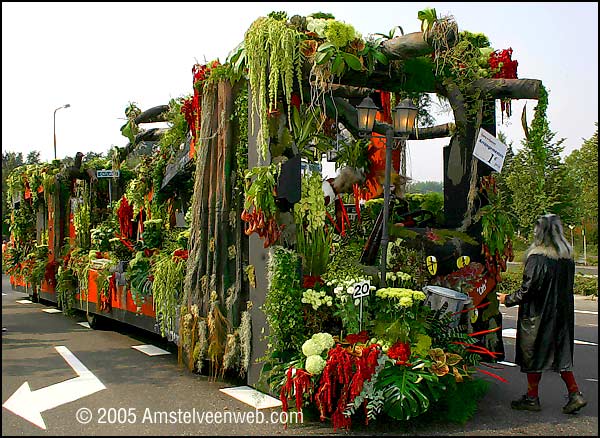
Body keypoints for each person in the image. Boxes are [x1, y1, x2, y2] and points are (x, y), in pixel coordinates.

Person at [497, 214, 587, 414]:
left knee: (533, 355)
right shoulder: (566, 259)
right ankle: (574, 393)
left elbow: (529, 290)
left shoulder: (537, 259)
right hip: (561, 315)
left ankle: (532, 398)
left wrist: (507, 299)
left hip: (537, 316)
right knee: (560, 355)